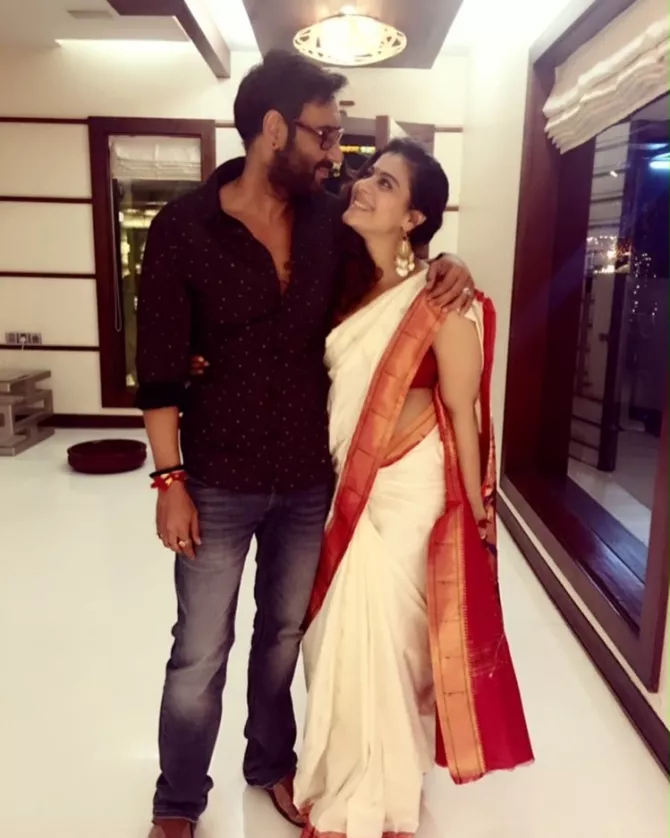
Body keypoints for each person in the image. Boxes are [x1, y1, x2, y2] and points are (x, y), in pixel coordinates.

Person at [136, 51, 476, 838]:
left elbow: (399, 268)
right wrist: (169, 480)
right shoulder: (184, 228)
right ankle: (178, 799)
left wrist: (450, 260)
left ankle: (271, 764)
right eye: (323, 135)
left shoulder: (330, 219)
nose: (335, 154)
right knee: (200, 649)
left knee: (285, 637)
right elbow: (157, 371)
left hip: (308, 478)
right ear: (273, 129)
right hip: (215, 476)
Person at [292, 139, 533, 838]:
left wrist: (477, 517)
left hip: (409, 490)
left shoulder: (442, 301)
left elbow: (464, 414)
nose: (364, 186)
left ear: (413, 218)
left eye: (386, 183)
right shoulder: (343, 282)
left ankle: (386, 801)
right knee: (337, 634)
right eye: (367, 175)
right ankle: (343, 776)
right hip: (349, 480)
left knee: (391, 639)